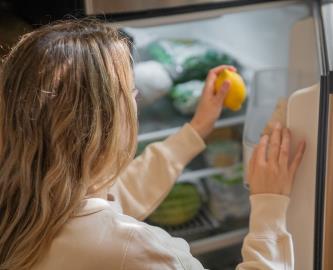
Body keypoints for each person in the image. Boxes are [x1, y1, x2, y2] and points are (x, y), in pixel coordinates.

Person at [0, 20, 305, 270]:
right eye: (131, 93)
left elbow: (117, 195)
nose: (136, 102)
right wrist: (269, 208)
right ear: (97, 128)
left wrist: (196, 130)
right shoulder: (138, 252)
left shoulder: (24, 202)